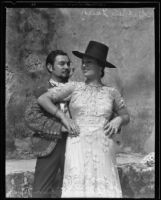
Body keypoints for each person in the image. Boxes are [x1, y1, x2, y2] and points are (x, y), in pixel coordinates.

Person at [37, 41, 130, 197]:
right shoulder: (74, 87)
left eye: (89, 63)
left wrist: (119, 120)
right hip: (77, 144)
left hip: (103, 147)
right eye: (83, 63)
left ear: (100, 67)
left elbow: (126, 116)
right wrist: (63, 117)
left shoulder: (111, 92)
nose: (83, 66)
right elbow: (43, 99)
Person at [25, 50, 77, 198]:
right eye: (61, 64)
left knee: (74, 188)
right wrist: (59, 128)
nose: (66, 67)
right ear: (50, 67)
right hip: (48, 143)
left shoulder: (76, 89)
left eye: (68, 64)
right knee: (41, 192)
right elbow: (31, 117)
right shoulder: (39, 90)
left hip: (75, 143)